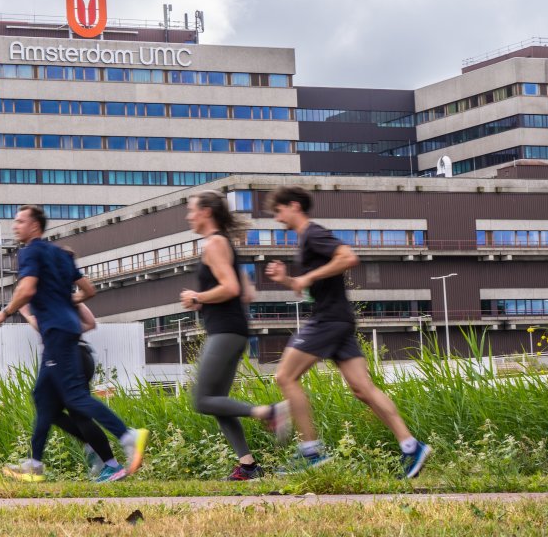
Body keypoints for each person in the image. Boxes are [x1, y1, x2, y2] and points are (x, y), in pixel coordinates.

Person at [264, 186, 431, 479]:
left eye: (278, 211)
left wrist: (308, 276)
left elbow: (348, 257)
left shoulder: (313, 233)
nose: (278, 219)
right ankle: (411, 446)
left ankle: (310, 450)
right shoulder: (306, 239)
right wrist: (288, 279)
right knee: (361, 388)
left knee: (284, 376)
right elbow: (310, 285)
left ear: (293, 206)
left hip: (328, 320)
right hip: (339, 319)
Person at [0, 204, 148, 482]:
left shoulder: (30, 251)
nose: (15, 226)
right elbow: (89, 290)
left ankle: (127, 435)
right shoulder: (58, 253)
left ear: (34, 226)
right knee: (43, 397)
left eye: (20, 222)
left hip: (57, 334)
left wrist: (6, 311)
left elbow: (26, 289)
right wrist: (67, 302)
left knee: (76, 399)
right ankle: (35, 464)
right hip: (64, 332)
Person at [179, 190, 291, 481]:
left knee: (202, 400)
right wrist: (209, 299)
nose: (189, 216)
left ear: (206, 212)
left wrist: (197, 296)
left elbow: (230, 288)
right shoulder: (226, 244)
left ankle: (269, 412)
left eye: (192, 210)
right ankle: (249, 467)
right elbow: (247, 291)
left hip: (225, 330)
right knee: (218, 401)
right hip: (233, 327)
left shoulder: (214, 244)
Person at [19, 300, 124, 482]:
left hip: (65, 357)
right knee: (56, 411)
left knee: (53, 405)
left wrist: (27, 314)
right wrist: (71, 332)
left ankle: (112, 459)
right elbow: (91, 323)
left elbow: (44, 328)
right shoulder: (66, 293)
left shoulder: (45, 294)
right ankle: (106, 459)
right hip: (82, 354)